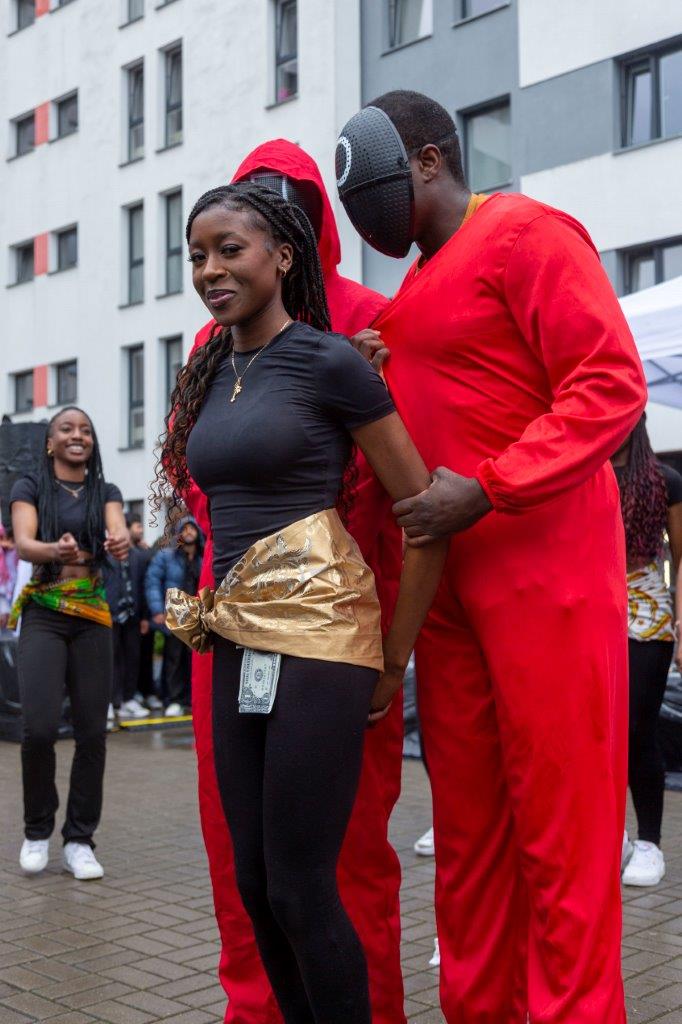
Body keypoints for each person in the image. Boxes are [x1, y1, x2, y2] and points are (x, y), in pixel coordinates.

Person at [337, 90, 647, 1023]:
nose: (366, 220)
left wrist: (492, 485)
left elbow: (609, 383)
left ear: (429, 160)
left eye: (375, 191)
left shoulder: (527, 235)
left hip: (544, 576)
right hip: (449, 600)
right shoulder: (410, 295)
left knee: (562, 836)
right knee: (469, 840)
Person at [153, 180, 447, 1024]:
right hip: (235, 637)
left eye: (229, 250)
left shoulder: (330, 362)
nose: (210, 270)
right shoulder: (211, 369)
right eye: (196, 256)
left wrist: (394, 658)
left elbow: (424, 515)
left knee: (302, 884)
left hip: (320, 640)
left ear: (283, 256)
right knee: (255, 883)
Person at [9, 407, 128, 879]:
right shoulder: (30, 486)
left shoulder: (105, 491)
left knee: (92, 732)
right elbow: (24, 543)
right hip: (45, 613)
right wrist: (52, 550)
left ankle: (79, 839)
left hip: (92, 615)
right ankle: (37, 830)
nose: (78, 435)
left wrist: (119, 542)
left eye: (85, 430)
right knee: (38, 729)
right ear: (50, 441)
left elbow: (117, 529)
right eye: (67, 429)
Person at [612, 416, 682, 886]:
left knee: (637, 728)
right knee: (597, 730)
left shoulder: (665, 480)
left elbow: (681, 557)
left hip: (646, 614)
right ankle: (611, 834)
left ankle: (650, 842)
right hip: (589, 609)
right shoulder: (584, 473)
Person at [145, 516, 203, 717]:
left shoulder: (203, 558)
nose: (188, 532)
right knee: (173, 658)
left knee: (193, 660)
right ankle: (173, 699)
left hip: (196, 618)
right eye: (184, 529)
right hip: (174, 615)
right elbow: (152, 581)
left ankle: (189, 698)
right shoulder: (166, 556)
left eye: (192, 528)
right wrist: (157, 609)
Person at [103, 515, 151, 721]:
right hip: (109, 615)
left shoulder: (136, 556)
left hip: (133, 614)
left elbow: (143, 585)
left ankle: (128, 698)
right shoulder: (103, 556)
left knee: (132, 657)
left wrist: (145, 616)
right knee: (111, 660)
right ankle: (110, 701)